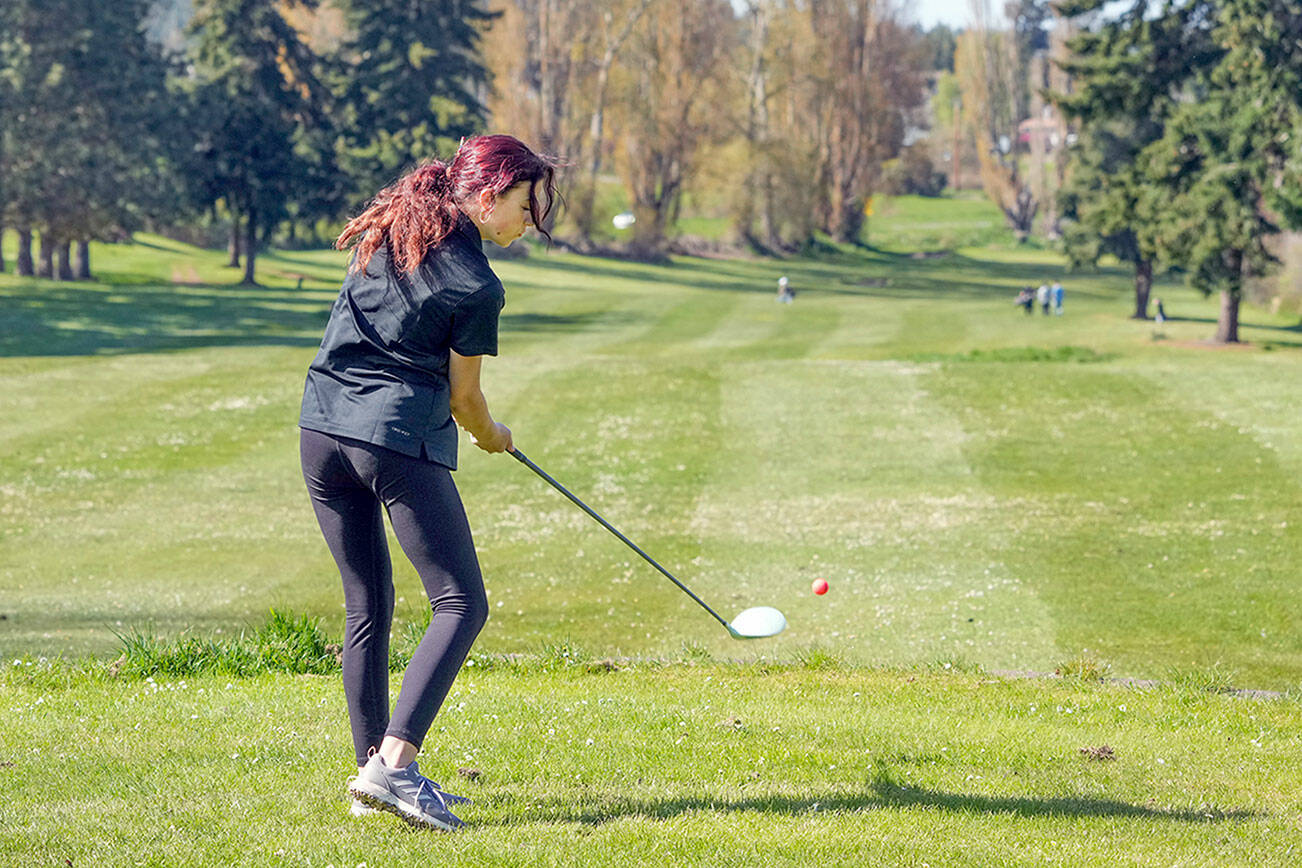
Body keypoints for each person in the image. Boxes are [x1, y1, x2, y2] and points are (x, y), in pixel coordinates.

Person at [298, 134, 557, 831]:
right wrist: (491, 435)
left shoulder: (393, 231)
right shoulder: (477, 284)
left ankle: (370, 774)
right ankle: (395, 767)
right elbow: (465, 399)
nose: (530, 222)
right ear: (487, 196)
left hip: (320, 433)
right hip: (393, 440)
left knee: (368, 606)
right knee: (461, 603)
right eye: (525, 207)